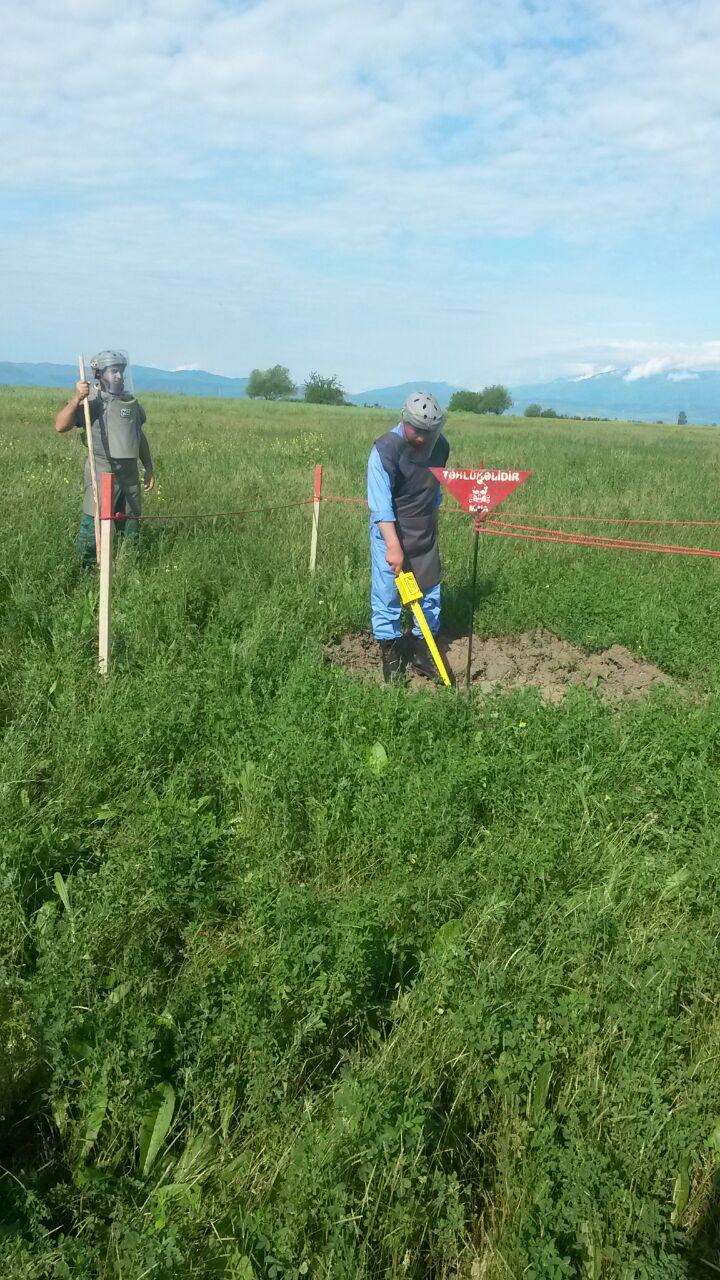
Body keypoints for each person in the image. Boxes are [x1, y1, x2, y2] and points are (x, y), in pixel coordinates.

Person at [367, 390, 454, 683]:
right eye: (419, 432)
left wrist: (431, 519)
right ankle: (391, 656)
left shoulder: (441, 447)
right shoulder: (384, 450)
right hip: (390, 530)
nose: (424, 439)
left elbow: (434, 488)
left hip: (423, 530)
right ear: (406, 422)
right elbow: (380, 505)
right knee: (388, 595)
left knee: (429, 593)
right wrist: (393, 546)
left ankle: (421, 652)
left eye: (429, 433)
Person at [54, 350, 154, 565]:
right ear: (99, 374)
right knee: (93, 529)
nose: (119, 376)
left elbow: (139, 436)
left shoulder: (131, 402)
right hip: (101, 474)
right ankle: (86, 571)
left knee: (130, 530)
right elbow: (60, 426)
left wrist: (149, 467)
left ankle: (126, 569)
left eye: (121, 371)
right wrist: (76, 399)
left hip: (130, 478)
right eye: (114, 371)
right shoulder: (92, 402)